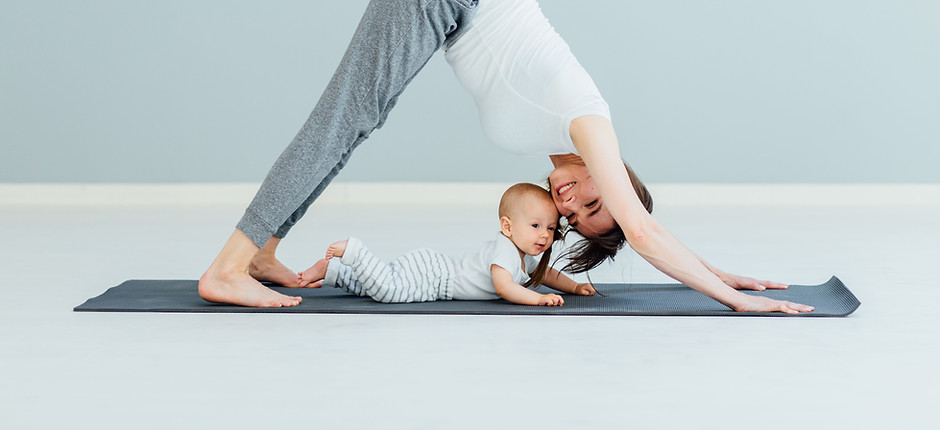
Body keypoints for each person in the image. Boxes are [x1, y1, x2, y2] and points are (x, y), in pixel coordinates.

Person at [199, 0, 814, 314]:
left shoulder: (564, 144)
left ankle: (261, 252)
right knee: (344, 118)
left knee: (356, 122)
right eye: (594, 198)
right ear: (616, 173)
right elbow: (644, 230)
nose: (566, 205)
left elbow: (638, 222)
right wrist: (736, 298)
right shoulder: (589, 119)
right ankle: (227, 267)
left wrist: (717, 267)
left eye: (573, 218)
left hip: (448, 10)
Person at [295, 183, 595, 305]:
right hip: (435, 278)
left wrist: (574, 287)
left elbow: (547, 276)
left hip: (434, 269)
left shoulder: (523, 255)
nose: (544, 235)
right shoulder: (504, 249)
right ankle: (354, 251)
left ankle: (332, 272)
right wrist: (538, 300)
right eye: (535, 226)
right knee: (387, 290)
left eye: (550, 228)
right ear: (507, 226)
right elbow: (505, 288)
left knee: (372, 287)